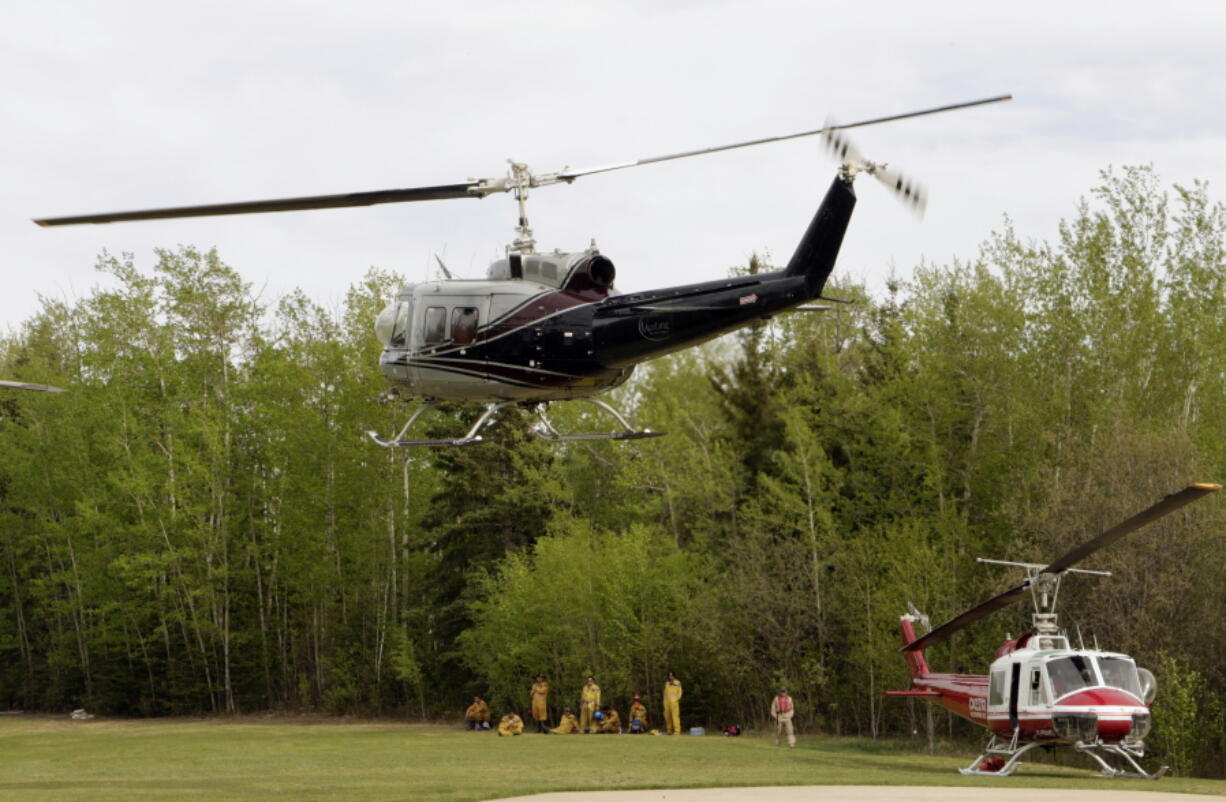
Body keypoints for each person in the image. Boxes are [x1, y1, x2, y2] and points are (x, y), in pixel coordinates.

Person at [663, 671, 683, 735]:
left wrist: (676, 699)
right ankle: (669, 731)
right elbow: (665, 694)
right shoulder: (667, 683)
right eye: (669, 675)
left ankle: (677, 731)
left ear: (674, 676)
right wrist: (664, 703)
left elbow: (680, 692)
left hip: (674, 702)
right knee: (667, 717)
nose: (670, 677)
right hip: (667, 703)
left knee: (675, 717)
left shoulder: (677, 683)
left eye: (672, 675)